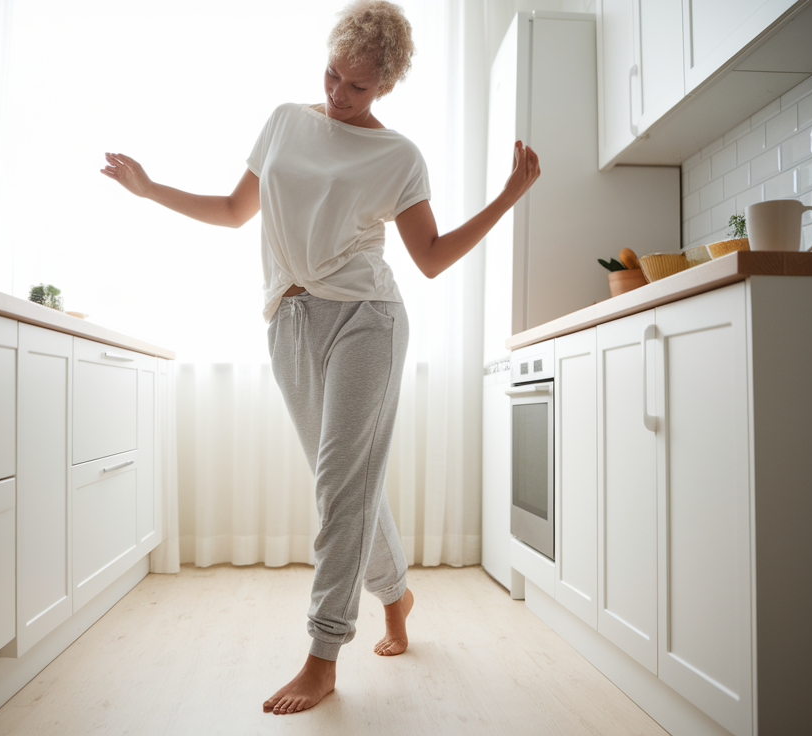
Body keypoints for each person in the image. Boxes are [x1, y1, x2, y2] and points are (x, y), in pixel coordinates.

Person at [101, 0, 540, 716]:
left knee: (340, 484)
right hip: (289, 320)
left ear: (388, 85)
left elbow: (428, 259)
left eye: (358, 86)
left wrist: (507, 197)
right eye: (333, 76)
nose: (339, 94)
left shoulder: (398, 155)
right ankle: (397, 593)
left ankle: (322, 654)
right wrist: (149, 190)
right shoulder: (284, 121)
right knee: (349, 482)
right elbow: (233, 210)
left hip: (368, 318)